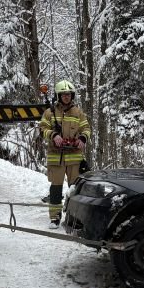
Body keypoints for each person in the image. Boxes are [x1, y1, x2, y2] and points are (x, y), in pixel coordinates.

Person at [40, 80, 91, 227]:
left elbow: (86, 128)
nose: (66, 97)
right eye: (63, 95)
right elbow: (42, 129)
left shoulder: (78, 112)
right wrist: (53, 135)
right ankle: (55, 218)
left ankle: (74, 217)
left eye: (68, 94)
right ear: (58, 96)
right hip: (56, 158)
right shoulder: (49, 112)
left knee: (75, 189)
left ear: (72, 95)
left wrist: (83, 138)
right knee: (56, 188)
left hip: (74, 159)